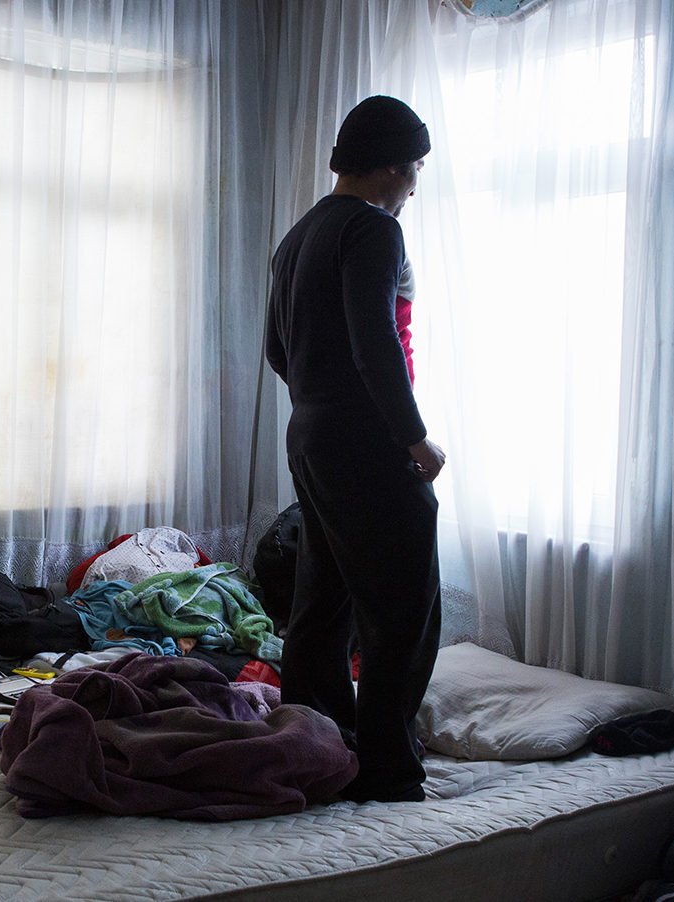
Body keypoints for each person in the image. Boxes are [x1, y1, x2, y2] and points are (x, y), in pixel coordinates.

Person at [264, 95, 445, 803]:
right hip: (365, 440)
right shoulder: (372, 230)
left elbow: (277, 349)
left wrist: (320, 399)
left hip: (308, 430)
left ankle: (316, 739)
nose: (413, 188)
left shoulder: (299, 234)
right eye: (415, 171)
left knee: (323, 600)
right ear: (393, 168)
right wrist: (414, 438)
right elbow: (378, 346)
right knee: (403, 606)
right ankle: (387, 770)